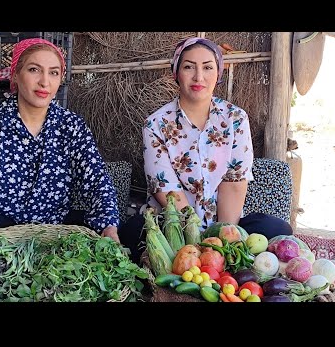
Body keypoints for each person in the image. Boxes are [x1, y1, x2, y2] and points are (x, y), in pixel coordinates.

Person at [0, 38, 120, 256]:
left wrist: (109, 226)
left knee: (95, 249)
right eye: (34, 69)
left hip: (52, 228)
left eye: (53, 72)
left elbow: (96, 180)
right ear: (15, 74)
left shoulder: (72, 126)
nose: (44, 82)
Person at [118, 37, 292, 262]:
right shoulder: (156, 124)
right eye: (189, 67)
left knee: (278, 229)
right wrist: (194, 243)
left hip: (222, 223)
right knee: (131, 234)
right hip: (172, 223)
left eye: (207, 67)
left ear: (218, 73)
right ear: (176, 73)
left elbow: (234, 184)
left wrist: (224, 239)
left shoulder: (234, 119)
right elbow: (166, 190)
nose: (199, 77)